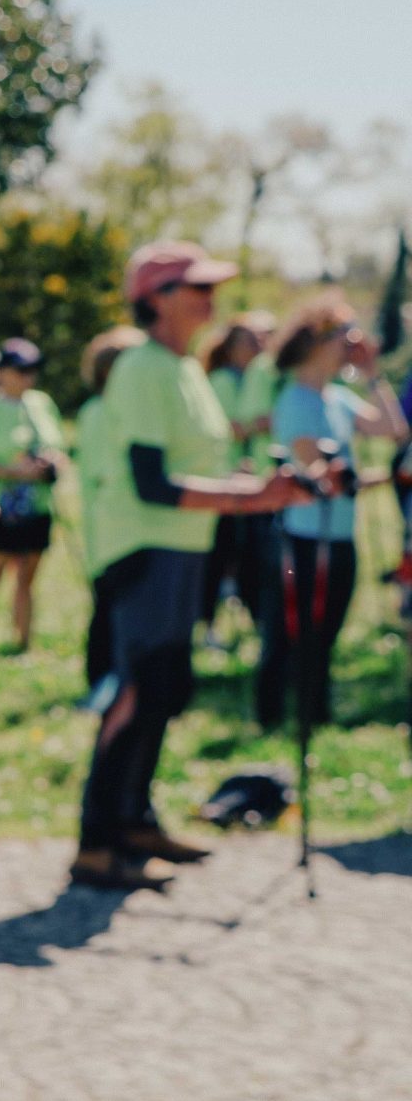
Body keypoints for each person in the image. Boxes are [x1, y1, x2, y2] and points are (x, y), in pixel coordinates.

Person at [74, 242, 310, 892]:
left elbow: (201, 467)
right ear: (156, 299)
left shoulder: (183, 368)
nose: (211, 299)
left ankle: (134, 822)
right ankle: (97, 841)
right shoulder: (143, 369)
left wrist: (261, 486)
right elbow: (152, 482)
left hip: (182, 547)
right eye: (197, 287)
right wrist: (251, 496)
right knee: (135, 691)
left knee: (164, 688)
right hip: (143, 548)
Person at [262, 301, 403, 730]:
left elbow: (394, 429)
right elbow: (316, 470)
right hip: (303, 538)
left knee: (327, 632)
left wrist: (373, 374)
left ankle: (314, 713)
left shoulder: (339, 398)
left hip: (340, 535)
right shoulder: (295, 399)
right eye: (346, 335)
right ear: (320, 341)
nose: (353, 344)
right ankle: (274, 715)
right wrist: (356, 479)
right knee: (293, 631)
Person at [0, 338, 63, 652]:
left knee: (27, 579)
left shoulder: (42, 403)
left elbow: (58, 449)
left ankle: (23, 644)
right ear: (3, 371)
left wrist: (48, 464)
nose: (28, 377)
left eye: (33, 370)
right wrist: (14, 472)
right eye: (21, 370)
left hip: (36, 505)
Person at [201, 312, 281, 637]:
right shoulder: (224, 380)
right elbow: (228, 428)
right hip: (223, 480)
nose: (258, 347)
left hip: (245, 481)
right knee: (220, 557)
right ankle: (208, 626)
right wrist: (263, 423)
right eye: (250, 341)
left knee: (244, 557)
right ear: (232, 346)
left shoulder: (252, 378)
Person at [73, 326, 140, 698]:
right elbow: (104, 476)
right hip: (110, 526)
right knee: (107, 605)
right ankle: (100, 684)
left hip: (125, 526)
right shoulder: (99, 412)